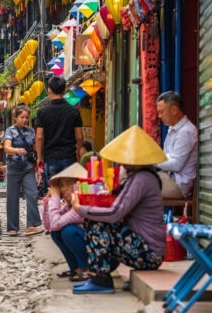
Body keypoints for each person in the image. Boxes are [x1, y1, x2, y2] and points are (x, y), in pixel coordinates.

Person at [70, 125, 166, 294]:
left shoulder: (142, 179)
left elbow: (115, 213)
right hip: (143, 247)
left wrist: (81, 209)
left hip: (149, 253)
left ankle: (101, 279)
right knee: (97, 221)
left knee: (95, 223)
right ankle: (98, 275)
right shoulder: (139, 177)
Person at [43, 163, 90, 281]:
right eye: (61, 185)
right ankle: (76, 268)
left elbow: (55, 224)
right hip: (88, 244)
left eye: (69, 183)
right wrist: (47, 201)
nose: (64, 189)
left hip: (96, 250)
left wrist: (55, 199)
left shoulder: (81, 205)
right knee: (56, 234)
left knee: (68, 232)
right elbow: (49, 227)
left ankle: (86, 269)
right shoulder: (68, 206)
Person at [3, 105, 44, 237]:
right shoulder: (10, 131)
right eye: (22, 117)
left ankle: (31, 225)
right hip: (13, 167)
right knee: (12, 197)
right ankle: (12, 227)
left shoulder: (31, 131)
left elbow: (34, 148)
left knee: (32, 194)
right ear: (15, 117)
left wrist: (37, 162)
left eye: (26, 117)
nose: (25, 120)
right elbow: (6, 148)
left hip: (27, 168)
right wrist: (17, 150)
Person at [35, 75, 84, 183]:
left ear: (49, 90)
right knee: (69, 191)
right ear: (65, 90)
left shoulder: (42, 112)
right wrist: (78, 151)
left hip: (50, 156)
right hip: (69, 156)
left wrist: (39, 157)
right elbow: (79, 136)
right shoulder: (74, 111)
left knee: (53, 192)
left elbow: (39, 137)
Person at [155, 91, 198, 199]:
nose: (159, 116)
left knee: (140, 181)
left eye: (161, 112)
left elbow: (176, 164)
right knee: (135, 177)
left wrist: (152, 161)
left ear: (174, 110)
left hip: (177, 185)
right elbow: (166, 157)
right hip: (169, 178)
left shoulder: (186, 132)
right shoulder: (174, 130)